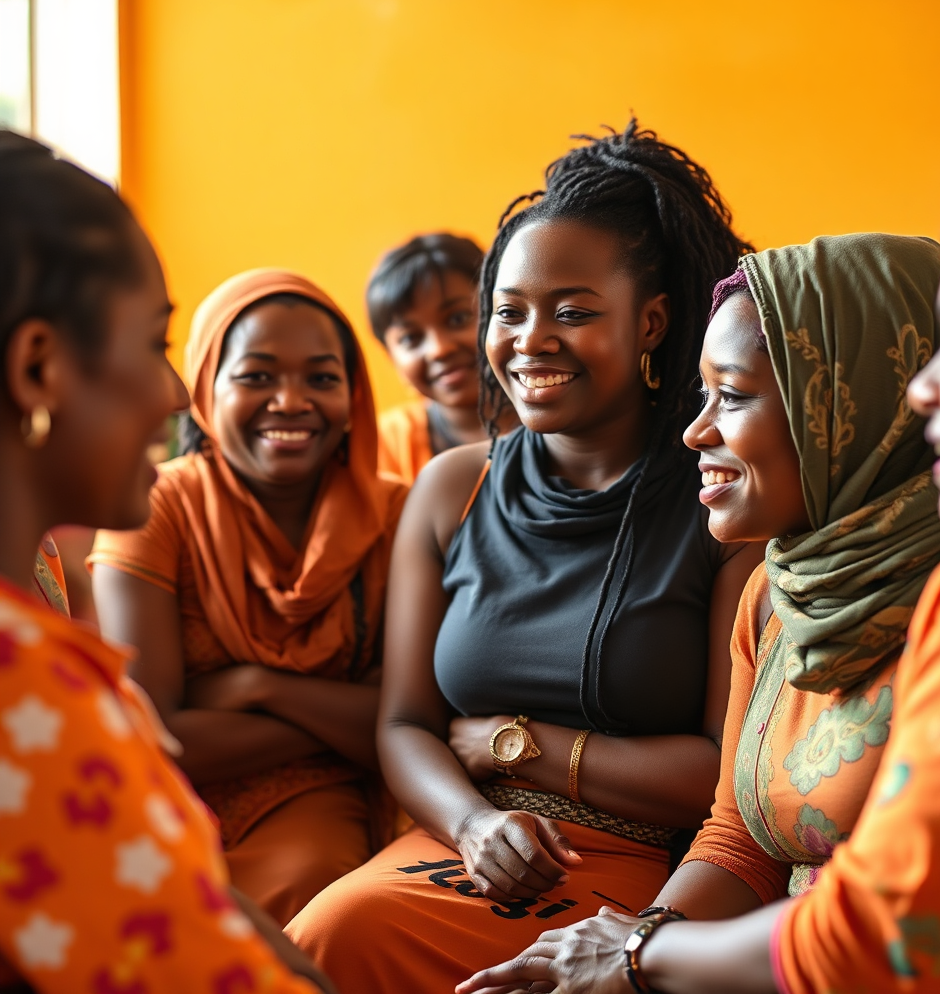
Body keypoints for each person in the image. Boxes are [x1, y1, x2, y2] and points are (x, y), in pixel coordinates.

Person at [458, 212, 940, 994]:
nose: (695, 432)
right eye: (702, 394)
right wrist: (625, 947)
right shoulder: (774, 592)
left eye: (735, 396)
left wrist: (638, 958)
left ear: (849, 405)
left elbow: (897, 927)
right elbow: (739, 842)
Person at [285, 120, 765, 992]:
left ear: (653, 322)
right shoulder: (450, 488)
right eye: (509, 311)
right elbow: (404, 725)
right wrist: (473, 825)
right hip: (459, 843)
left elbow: (720, 776)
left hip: (646, 868)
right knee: (330, 934)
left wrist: (516, 743)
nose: (528, 340)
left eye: (573, 312)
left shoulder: (724, 504)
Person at [0, 129, 333, 991]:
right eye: (153, 344)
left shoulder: (35, 583)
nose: (171, 394)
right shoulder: (26, 690)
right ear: (38, 368)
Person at [90, 268, 406, 926]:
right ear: (205, 388)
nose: (290, 401)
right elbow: (154, 736)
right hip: (163, 804)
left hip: (322, 804)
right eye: (256, 376)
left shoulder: (399, 515)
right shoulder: (153, 506)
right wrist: (343, 717)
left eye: (321, 377)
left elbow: (405, 726)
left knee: (314, 891)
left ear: (353, 394)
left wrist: (260, 686)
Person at [368, 232, 515, 484]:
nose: (439, 349)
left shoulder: (560, 412)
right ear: (392, 359)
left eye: (457, 319)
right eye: (410, 338)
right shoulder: (384, 446)